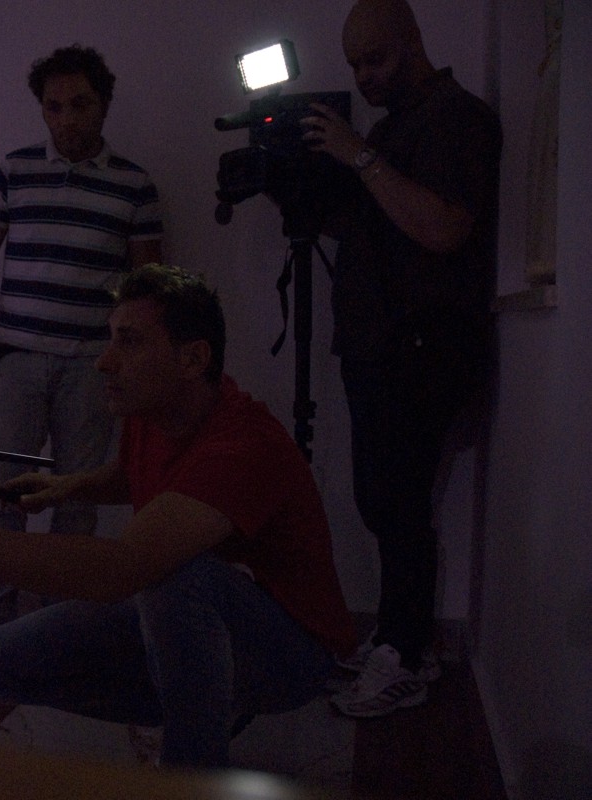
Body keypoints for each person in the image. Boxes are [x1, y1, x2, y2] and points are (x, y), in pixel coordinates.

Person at [0, 264, 356, 769]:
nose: (105, 361)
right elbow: (134, 474)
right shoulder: (155, 409)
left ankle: (192, 772)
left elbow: (117, 569)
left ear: (193, 359)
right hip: (197, 626)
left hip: (295, 652)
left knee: (174, 576)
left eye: (129, 341)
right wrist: (69, 486)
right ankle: (189, 702)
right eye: (111, 339)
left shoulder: (241, 446)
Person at [300, 0, 502, 717]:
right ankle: (400, 636)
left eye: (374, 59)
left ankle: (406, 654)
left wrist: (358, 155)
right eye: (354, 64)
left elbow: (443, 227)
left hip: (419, 347)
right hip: (379, 345)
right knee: (384, 501)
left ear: (412, 42)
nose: (363, 76)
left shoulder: (457, 118)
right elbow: (375, 224)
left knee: (397, 502)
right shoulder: (391, 129)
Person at [0, 45, 163, 652]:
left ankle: (62, 631)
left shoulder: (135, 185)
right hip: (13, 358)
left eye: (80, 104)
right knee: (0, 493)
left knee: (78, 499)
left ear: (104, 105)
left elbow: (147, 287)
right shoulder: (14, 171)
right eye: (54, 106)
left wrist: (141, 367)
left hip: (92, 365)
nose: (66, 118)